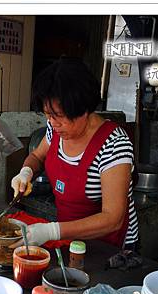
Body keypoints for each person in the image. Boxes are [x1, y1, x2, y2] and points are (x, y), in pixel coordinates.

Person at [10, 58, 138, 250]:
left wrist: (51, 231)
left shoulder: (114, 144)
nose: (52, 123)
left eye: (59, 116)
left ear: (84, 110)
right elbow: (38, 156)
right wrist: (26, 172)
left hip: (110, 248)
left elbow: (113, 219)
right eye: (48, 115)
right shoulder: (55, 129)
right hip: (71, 240)